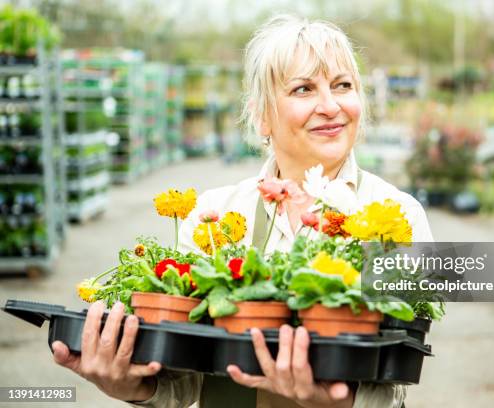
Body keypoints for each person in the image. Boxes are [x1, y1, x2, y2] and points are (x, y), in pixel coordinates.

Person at [51, 14, 433, 408]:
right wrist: (134, 387)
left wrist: (343, 402)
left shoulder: (399, 216)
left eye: (343, 86)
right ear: (262, 116)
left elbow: (396, 376)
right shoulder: (214, 216)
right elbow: (187, 379)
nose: (330, 105)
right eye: (303, 89)